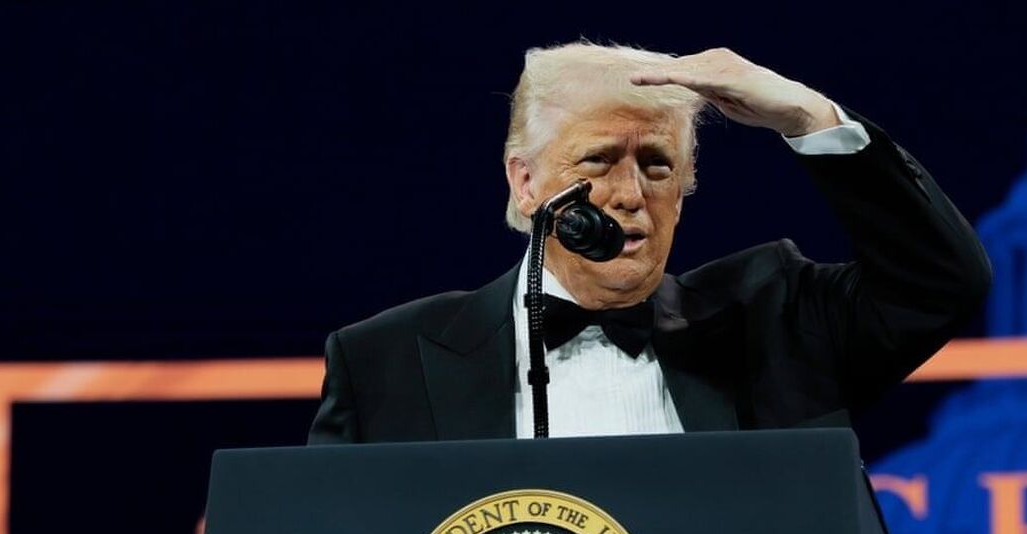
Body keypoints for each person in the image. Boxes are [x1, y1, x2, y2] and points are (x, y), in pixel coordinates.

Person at [307, 43, 990, 445]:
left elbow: (940, 283)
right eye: (598, 161)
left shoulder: (776, 322)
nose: (630, 194)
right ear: (525, 182)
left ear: (685, 189)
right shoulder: (385, 364)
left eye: (658, 165)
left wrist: (809, 117)